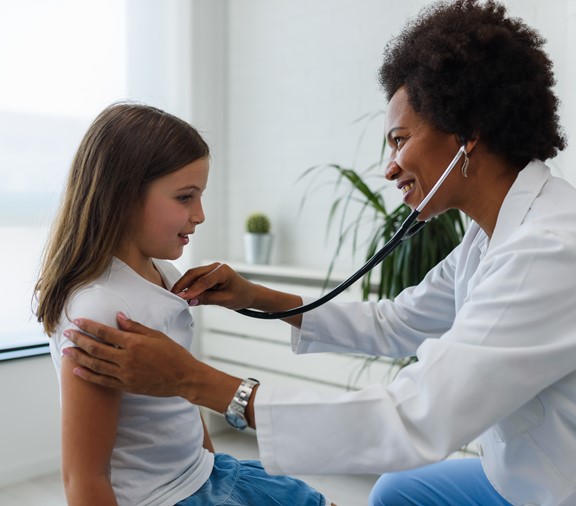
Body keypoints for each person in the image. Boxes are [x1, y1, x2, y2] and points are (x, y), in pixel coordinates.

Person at [60, 1, 576, 505]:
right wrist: (253, 295)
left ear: (468, 136)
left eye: (399, 140)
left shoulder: (549, 251)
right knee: (395, 492)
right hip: (522, 470)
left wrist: (193, 380)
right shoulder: (488, 237)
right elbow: (394, 323)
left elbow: (411, 415)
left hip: (558, 484)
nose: (390, 168)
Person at [33, 103, 329, 506]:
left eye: (200, 196)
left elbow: (182, 392)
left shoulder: (164, 275)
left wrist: (207, 462)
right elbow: (84, 476)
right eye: (185, 197)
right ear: (122, 195)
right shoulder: (99, 310)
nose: (200, 215)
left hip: (207, 474)